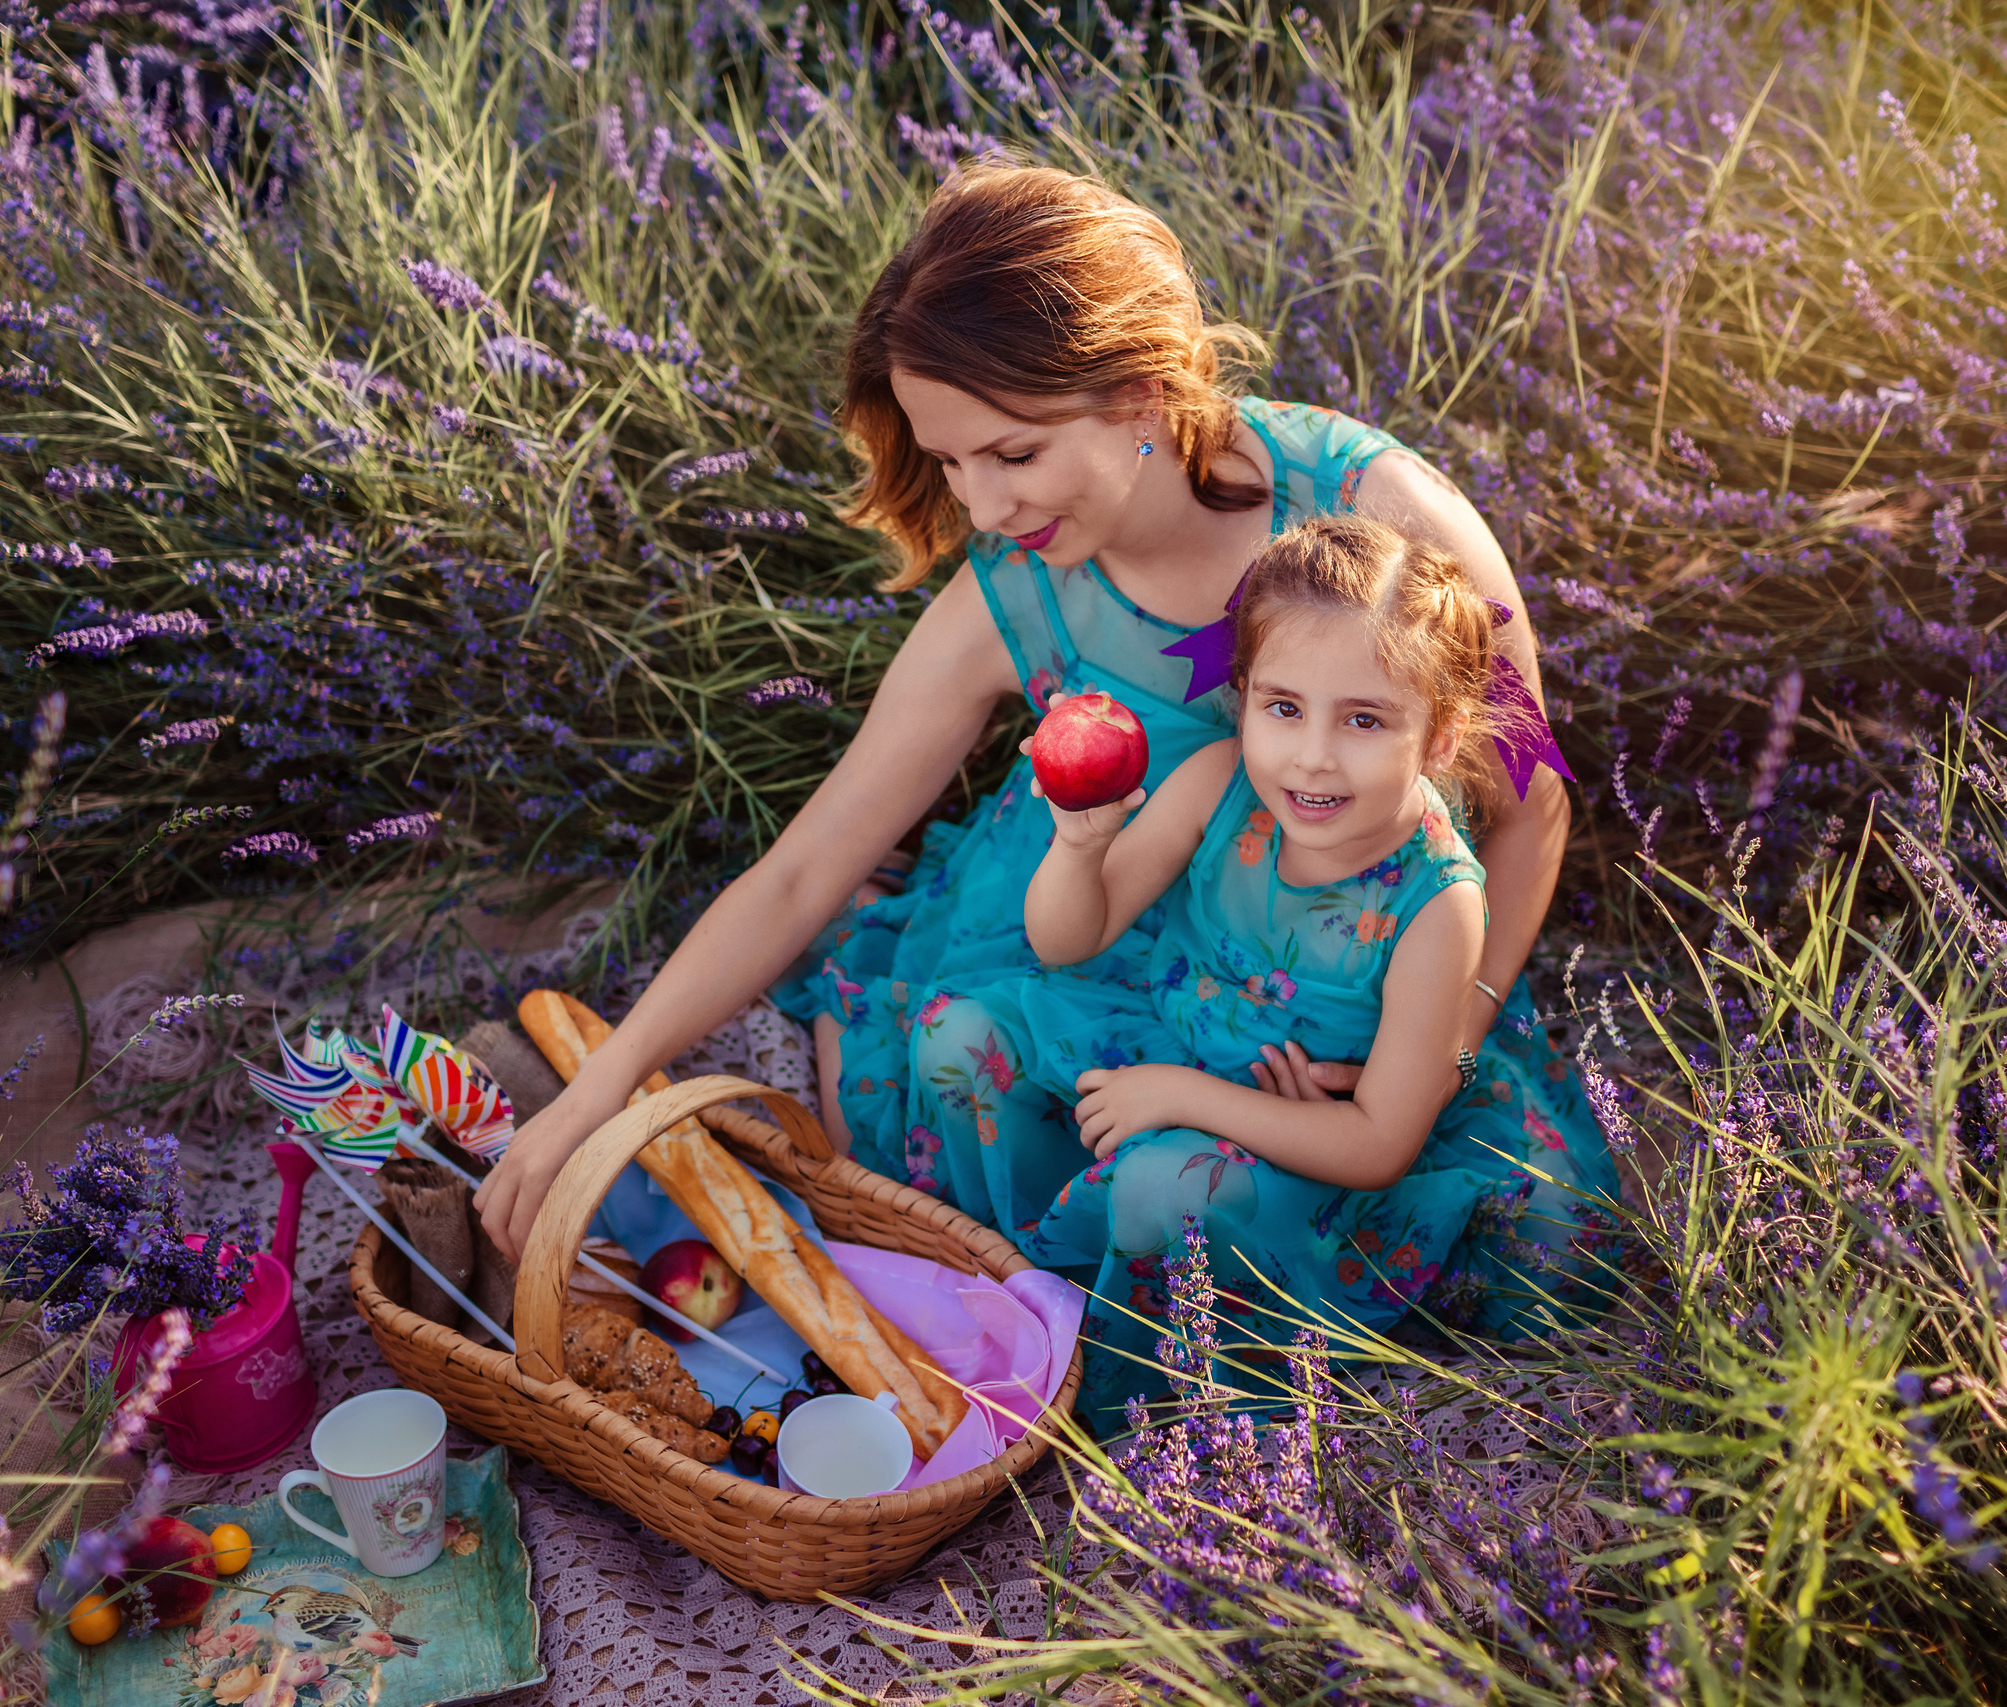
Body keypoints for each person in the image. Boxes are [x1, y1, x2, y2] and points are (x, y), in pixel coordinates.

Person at [475, 165, 1611, 1370]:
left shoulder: (1377, 519)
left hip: (1333, 940)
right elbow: (807, 869)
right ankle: (1055, 1322)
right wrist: (593, 1100)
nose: (981, 505)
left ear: (1138, 390)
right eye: (950, 463)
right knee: (954, 1059)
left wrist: (1436, 1050)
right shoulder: (1013, 589)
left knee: (1496, 1222)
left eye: (1011, 453)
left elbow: (1529, 813)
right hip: (1097, 924)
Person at [904, 514, 1608, 1421]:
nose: (1311, 754)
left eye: (1364, 719)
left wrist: (1178, 1097)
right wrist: (1080, 850)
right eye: (1283, 706)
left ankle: (1145, 1386)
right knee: (955, 1038)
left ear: (1441, 736)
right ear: (1242, 696)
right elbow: (1067, 941)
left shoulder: (1437, 902)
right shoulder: (1219, 780)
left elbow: (1380, 1142)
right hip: (1165, 1031)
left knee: (1165, 1185)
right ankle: (1032, 1278)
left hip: (1306, 1132)